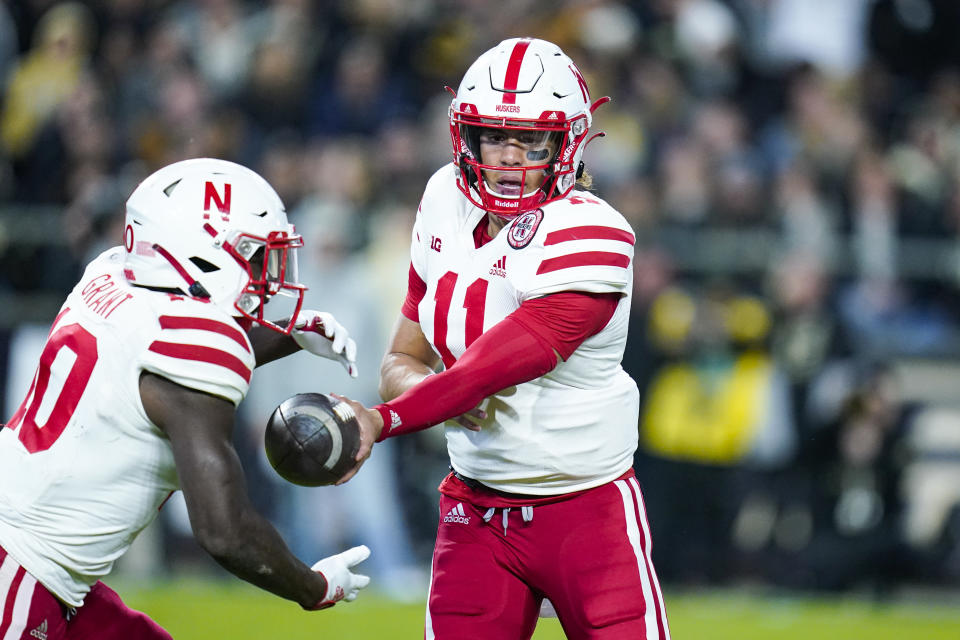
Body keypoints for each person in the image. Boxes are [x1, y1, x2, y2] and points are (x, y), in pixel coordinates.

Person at [335, 38, 672, 640]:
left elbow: (484, 372)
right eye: (494, 135)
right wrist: (426, 390)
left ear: (568, 144)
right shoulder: (443, 199)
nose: (509, 157)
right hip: (476, 508)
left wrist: (380, 421)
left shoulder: (592, 234)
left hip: (585, 508)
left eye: (530, 140)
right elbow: (402, 358)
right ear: (465, 136)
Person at [0, 158, 371, 640]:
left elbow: (155, 361)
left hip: (42, 560)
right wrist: (316, 586)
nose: (269, 273)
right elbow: (225, 531)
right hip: (24, 571)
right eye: (256, 255)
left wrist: (290, 335)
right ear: (203, 254)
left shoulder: (110, 272)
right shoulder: (193, 348)